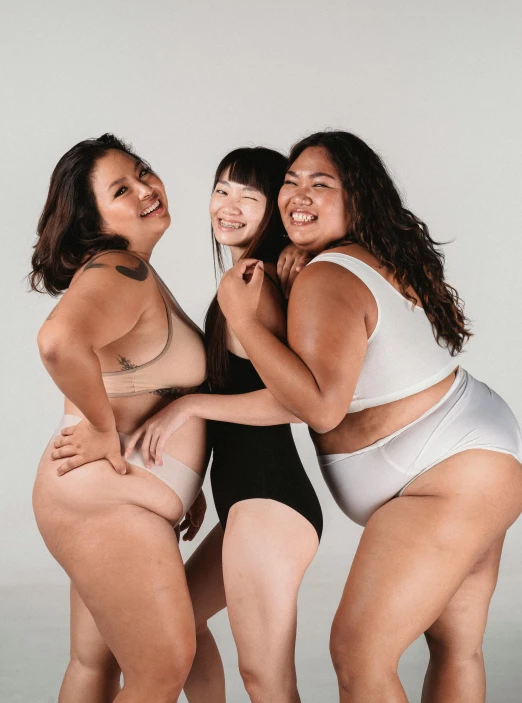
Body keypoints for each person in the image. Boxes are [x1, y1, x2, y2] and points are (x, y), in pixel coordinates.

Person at [215, 131, 522, 703]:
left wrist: (246, 319)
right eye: (291, 181)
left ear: (358, 199)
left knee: (360, 656)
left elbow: (321, 406)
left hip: (445, 476)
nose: (298, 194)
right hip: (474, 461)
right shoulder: (351, 260)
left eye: (321, 184)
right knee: (457, 648)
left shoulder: (328, 275)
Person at [129, 147, 322, 703]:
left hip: (270, 502)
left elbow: (295, 403)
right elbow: (231, 390)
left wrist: (188, 408)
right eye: (221, 190)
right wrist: (196, 482)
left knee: (266, 680)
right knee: (175, 633)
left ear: (276, 210)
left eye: (249, 196)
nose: (228, 205)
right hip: (245, 499)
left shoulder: (256, 285)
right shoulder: (242, 281)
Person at [30, 134, 208, 703]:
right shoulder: (119, 267)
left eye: (143, 172)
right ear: (93, 220)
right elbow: (59, 341)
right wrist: (103, 429)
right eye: (121, 189)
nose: (146, 189)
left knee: (94, 665)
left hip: (108, 497)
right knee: (160, 673)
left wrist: (188, 474)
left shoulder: (134, 272)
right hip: (109, 501)